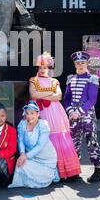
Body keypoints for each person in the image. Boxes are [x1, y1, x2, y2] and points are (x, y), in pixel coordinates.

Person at [29, 52, 81, 180]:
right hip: (40, 114)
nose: (42, 70)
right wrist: (49, 95)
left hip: (56, 114)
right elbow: (33, 94)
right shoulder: (33, 80)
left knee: (59, 137)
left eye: (45, 67)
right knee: (44, 138)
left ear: (49, 68)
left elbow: (59, 96)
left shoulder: (54, 81)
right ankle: (49, 174)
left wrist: (42, 93)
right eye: (40, 67)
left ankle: (67, 172)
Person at [64, 51, 100, 183]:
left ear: (87, 63)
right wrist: (70, 111)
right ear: (74, 64)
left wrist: (78, 112)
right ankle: (74, 172)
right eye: (77, 63)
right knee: (74, 143)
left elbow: (92, 100)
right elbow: (66, 99)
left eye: (82, 62)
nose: (80, 65)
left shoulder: (92, 78)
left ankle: (97, 172)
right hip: (73, 117)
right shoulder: (71, 79)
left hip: (87, 116)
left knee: (91, 142)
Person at [8, 101, 60, 189]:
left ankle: (52, 173)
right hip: (31, 157)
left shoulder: (43, 125)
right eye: (27, 113)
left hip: (46, 158)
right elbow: (20, 141)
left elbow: (40, 146)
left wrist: (25, 156)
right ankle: (26, 181)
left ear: (37, 114)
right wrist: (22, 154)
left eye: (32, 113)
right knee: (21, 164)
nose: (29, 116)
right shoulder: (22, 124)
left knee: (23, 162)